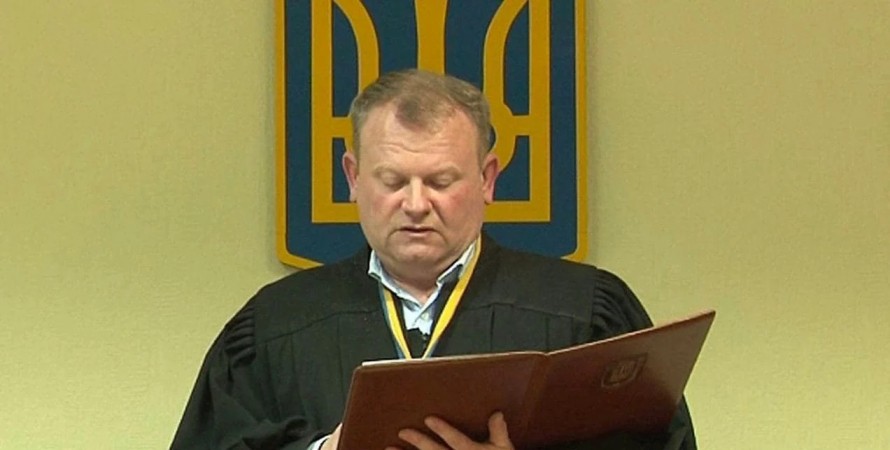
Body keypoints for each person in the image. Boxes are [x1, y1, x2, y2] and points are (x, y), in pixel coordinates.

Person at [171, 69, 696, 450]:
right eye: (393, 180)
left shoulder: (583, 314)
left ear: (487, 179)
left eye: (441, 181)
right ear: (353, 177)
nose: (417, 204)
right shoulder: (274, 326)